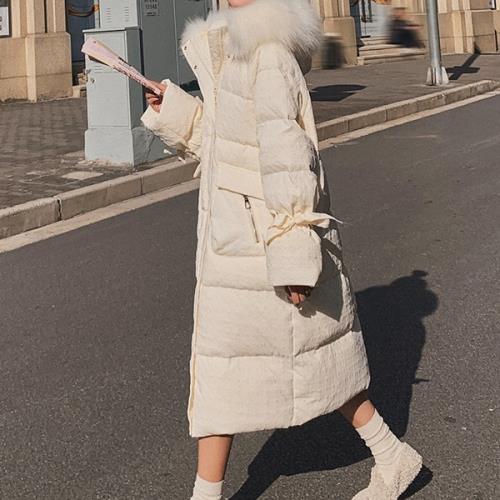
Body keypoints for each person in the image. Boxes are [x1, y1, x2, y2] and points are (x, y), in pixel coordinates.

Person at [142, 1, 423, 498]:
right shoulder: (236, 43)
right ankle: (391, 454)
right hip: (238, 242)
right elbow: (227, 142)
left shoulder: (267, 50)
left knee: (281, 362)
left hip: (261, 242)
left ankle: (391, 454)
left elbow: (289, 156)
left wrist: (294, 258)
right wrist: (176, 111)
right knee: (251, 368)